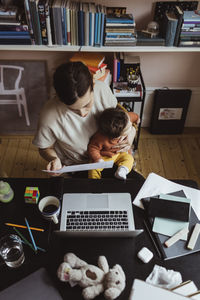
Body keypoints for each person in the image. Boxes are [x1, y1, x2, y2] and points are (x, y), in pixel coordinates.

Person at [33, 61, 123, 173]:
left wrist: (129, 130)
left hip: (109, 158)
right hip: (77, 167)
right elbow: (45, 148)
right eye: (73, 109)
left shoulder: (102, 90)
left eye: (87, 105)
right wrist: (54, 159)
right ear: (60, 99)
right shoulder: (49, 115)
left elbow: (119, 114)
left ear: (93, 85)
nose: (82, 113)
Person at [88, 107, 139, 180]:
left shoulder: (125, 119)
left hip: (120, 154)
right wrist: (98, 159)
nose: (130, 126)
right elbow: (93, 148)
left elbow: (134, 116)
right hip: (105, 156)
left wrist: (137, 119)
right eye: (128, 129)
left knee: (129, 159)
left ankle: (122, 170)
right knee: (93, 168)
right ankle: (94, 183)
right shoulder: (100, 138)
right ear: (117, 136)